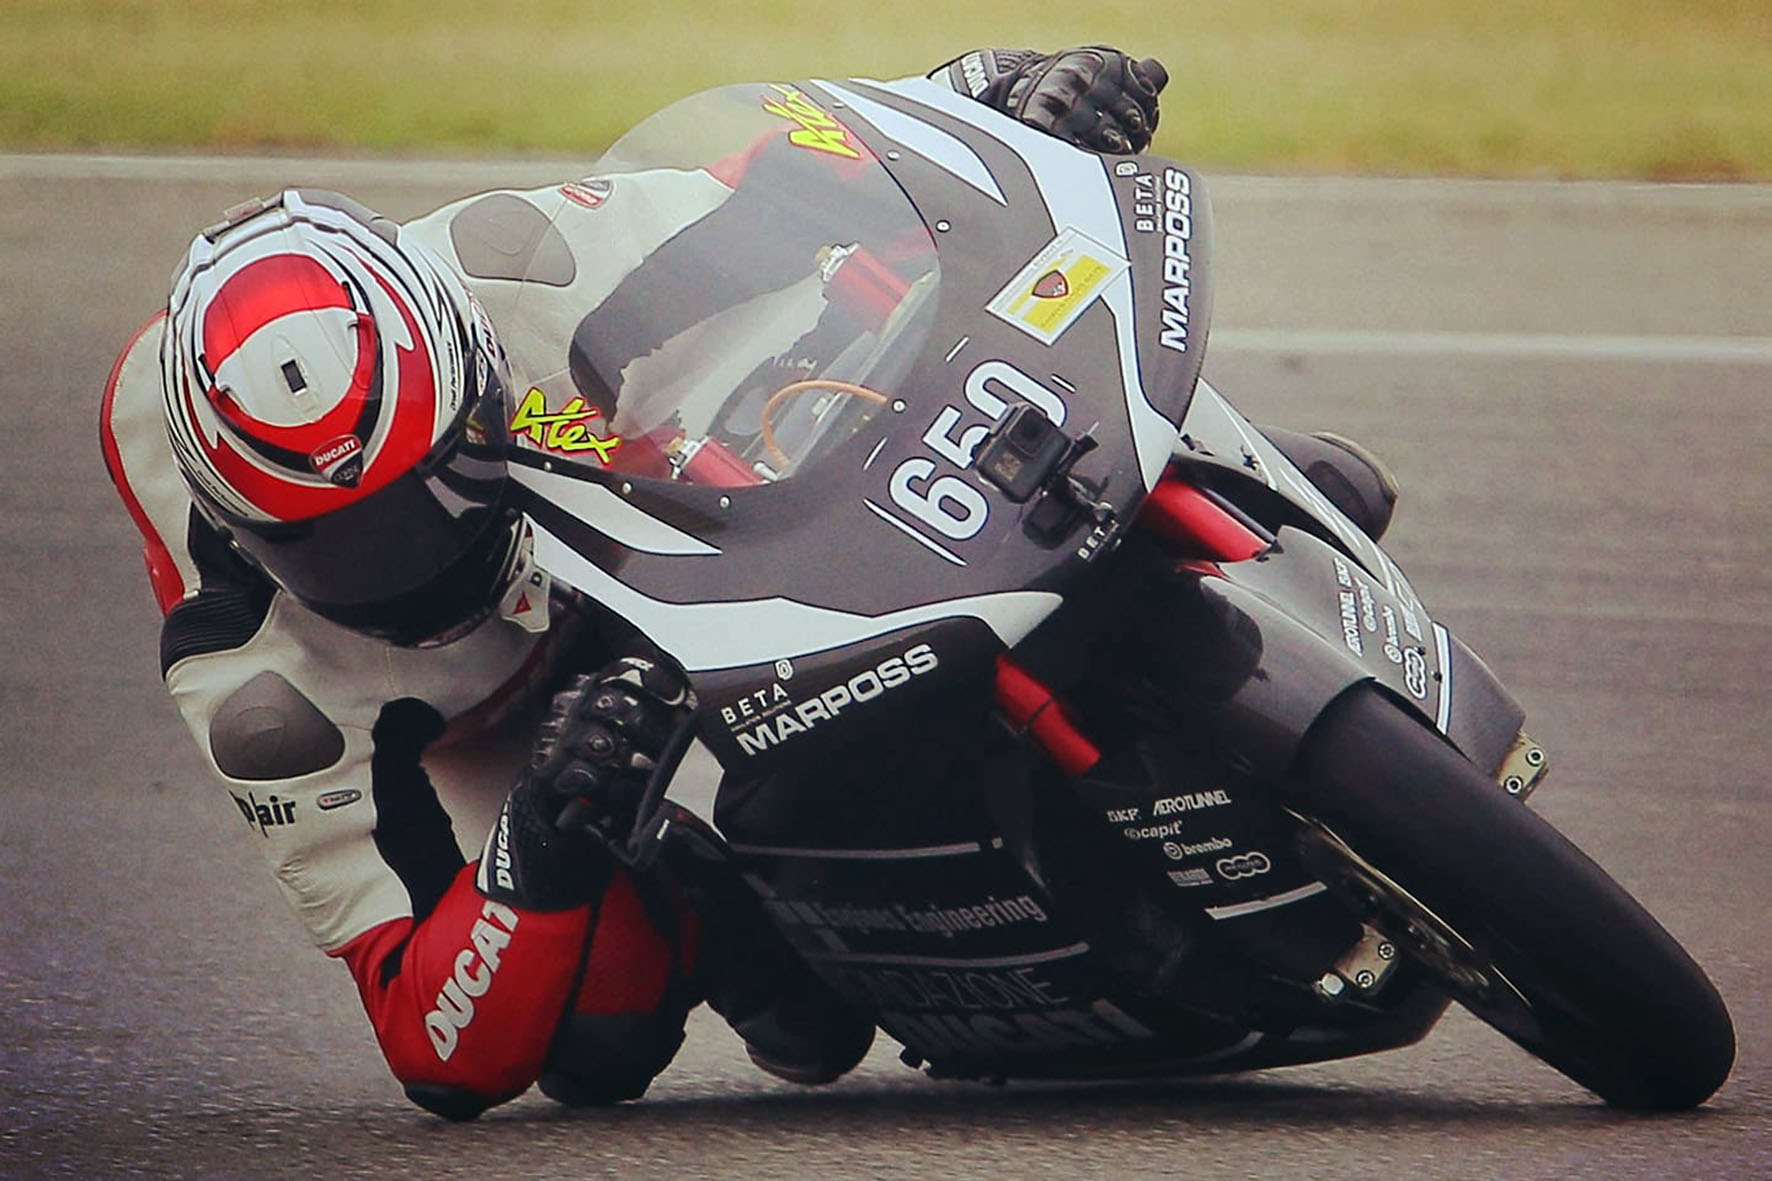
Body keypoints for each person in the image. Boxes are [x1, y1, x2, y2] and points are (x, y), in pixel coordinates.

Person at [99, 47, 1171, 1120]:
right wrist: (543, 833)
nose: (417, 558)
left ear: (469, 359)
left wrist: (1001, 93)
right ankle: (705, 909)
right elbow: (431, 1044)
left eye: (439, 483)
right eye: (343, 548)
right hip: (483, 714)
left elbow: (802, 174)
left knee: (892, 326)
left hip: (592, 503)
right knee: (594, 1033)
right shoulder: (259, 691)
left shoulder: (524, 271)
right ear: (245, 533)